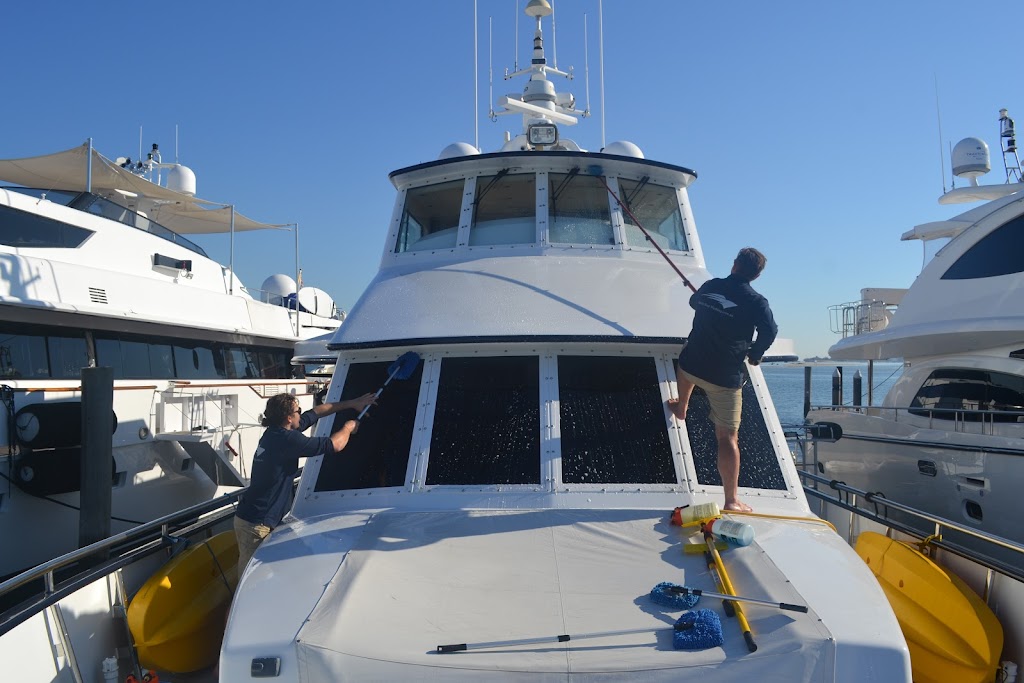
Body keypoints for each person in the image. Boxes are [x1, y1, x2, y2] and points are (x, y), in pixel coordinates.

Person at [667, 247, 777, 512]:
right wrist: (755, 354)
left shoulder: (711, 286)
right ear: (757, 275)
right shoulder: (756, 302)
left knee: (686, 359)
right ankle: (731, 500)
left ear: (734, 265)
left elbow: (695, 303)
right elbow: (770, 330)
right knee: (727, 437)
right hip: (723, 378)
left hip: (691, 366)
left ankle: (682, 405)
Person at [234, 391, 377, 575]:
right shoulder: (288, 439)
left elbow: (316, 412)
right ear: (288, 418)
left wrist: (352, 402)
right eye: (297, 411)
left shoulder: (278, 431)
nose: (301, 414)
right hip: (255, 524)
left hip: (264, 518)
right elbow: (335, 445)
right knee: (251, 576)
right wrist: (349, 427)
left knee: (294, 562)